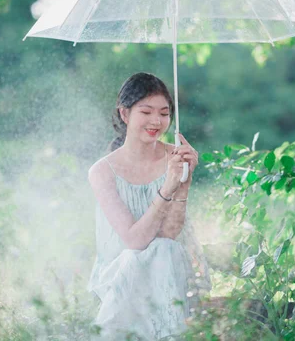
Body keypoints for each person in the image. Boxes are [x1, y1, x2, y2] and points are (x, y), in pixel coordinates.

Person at [87, 72, 212, 340]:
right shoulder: (102, 171)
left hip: (172, 261)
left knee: (164, 249)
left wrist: (184, 181)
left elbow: (170, 234)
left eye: (164, 113)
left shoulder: (176, 158)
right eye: (146, 112)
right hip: (122, 268)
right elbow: (135, 240)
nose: (157, 121)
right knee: (137, 257)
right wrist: (167, 186)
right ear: (124, 114)